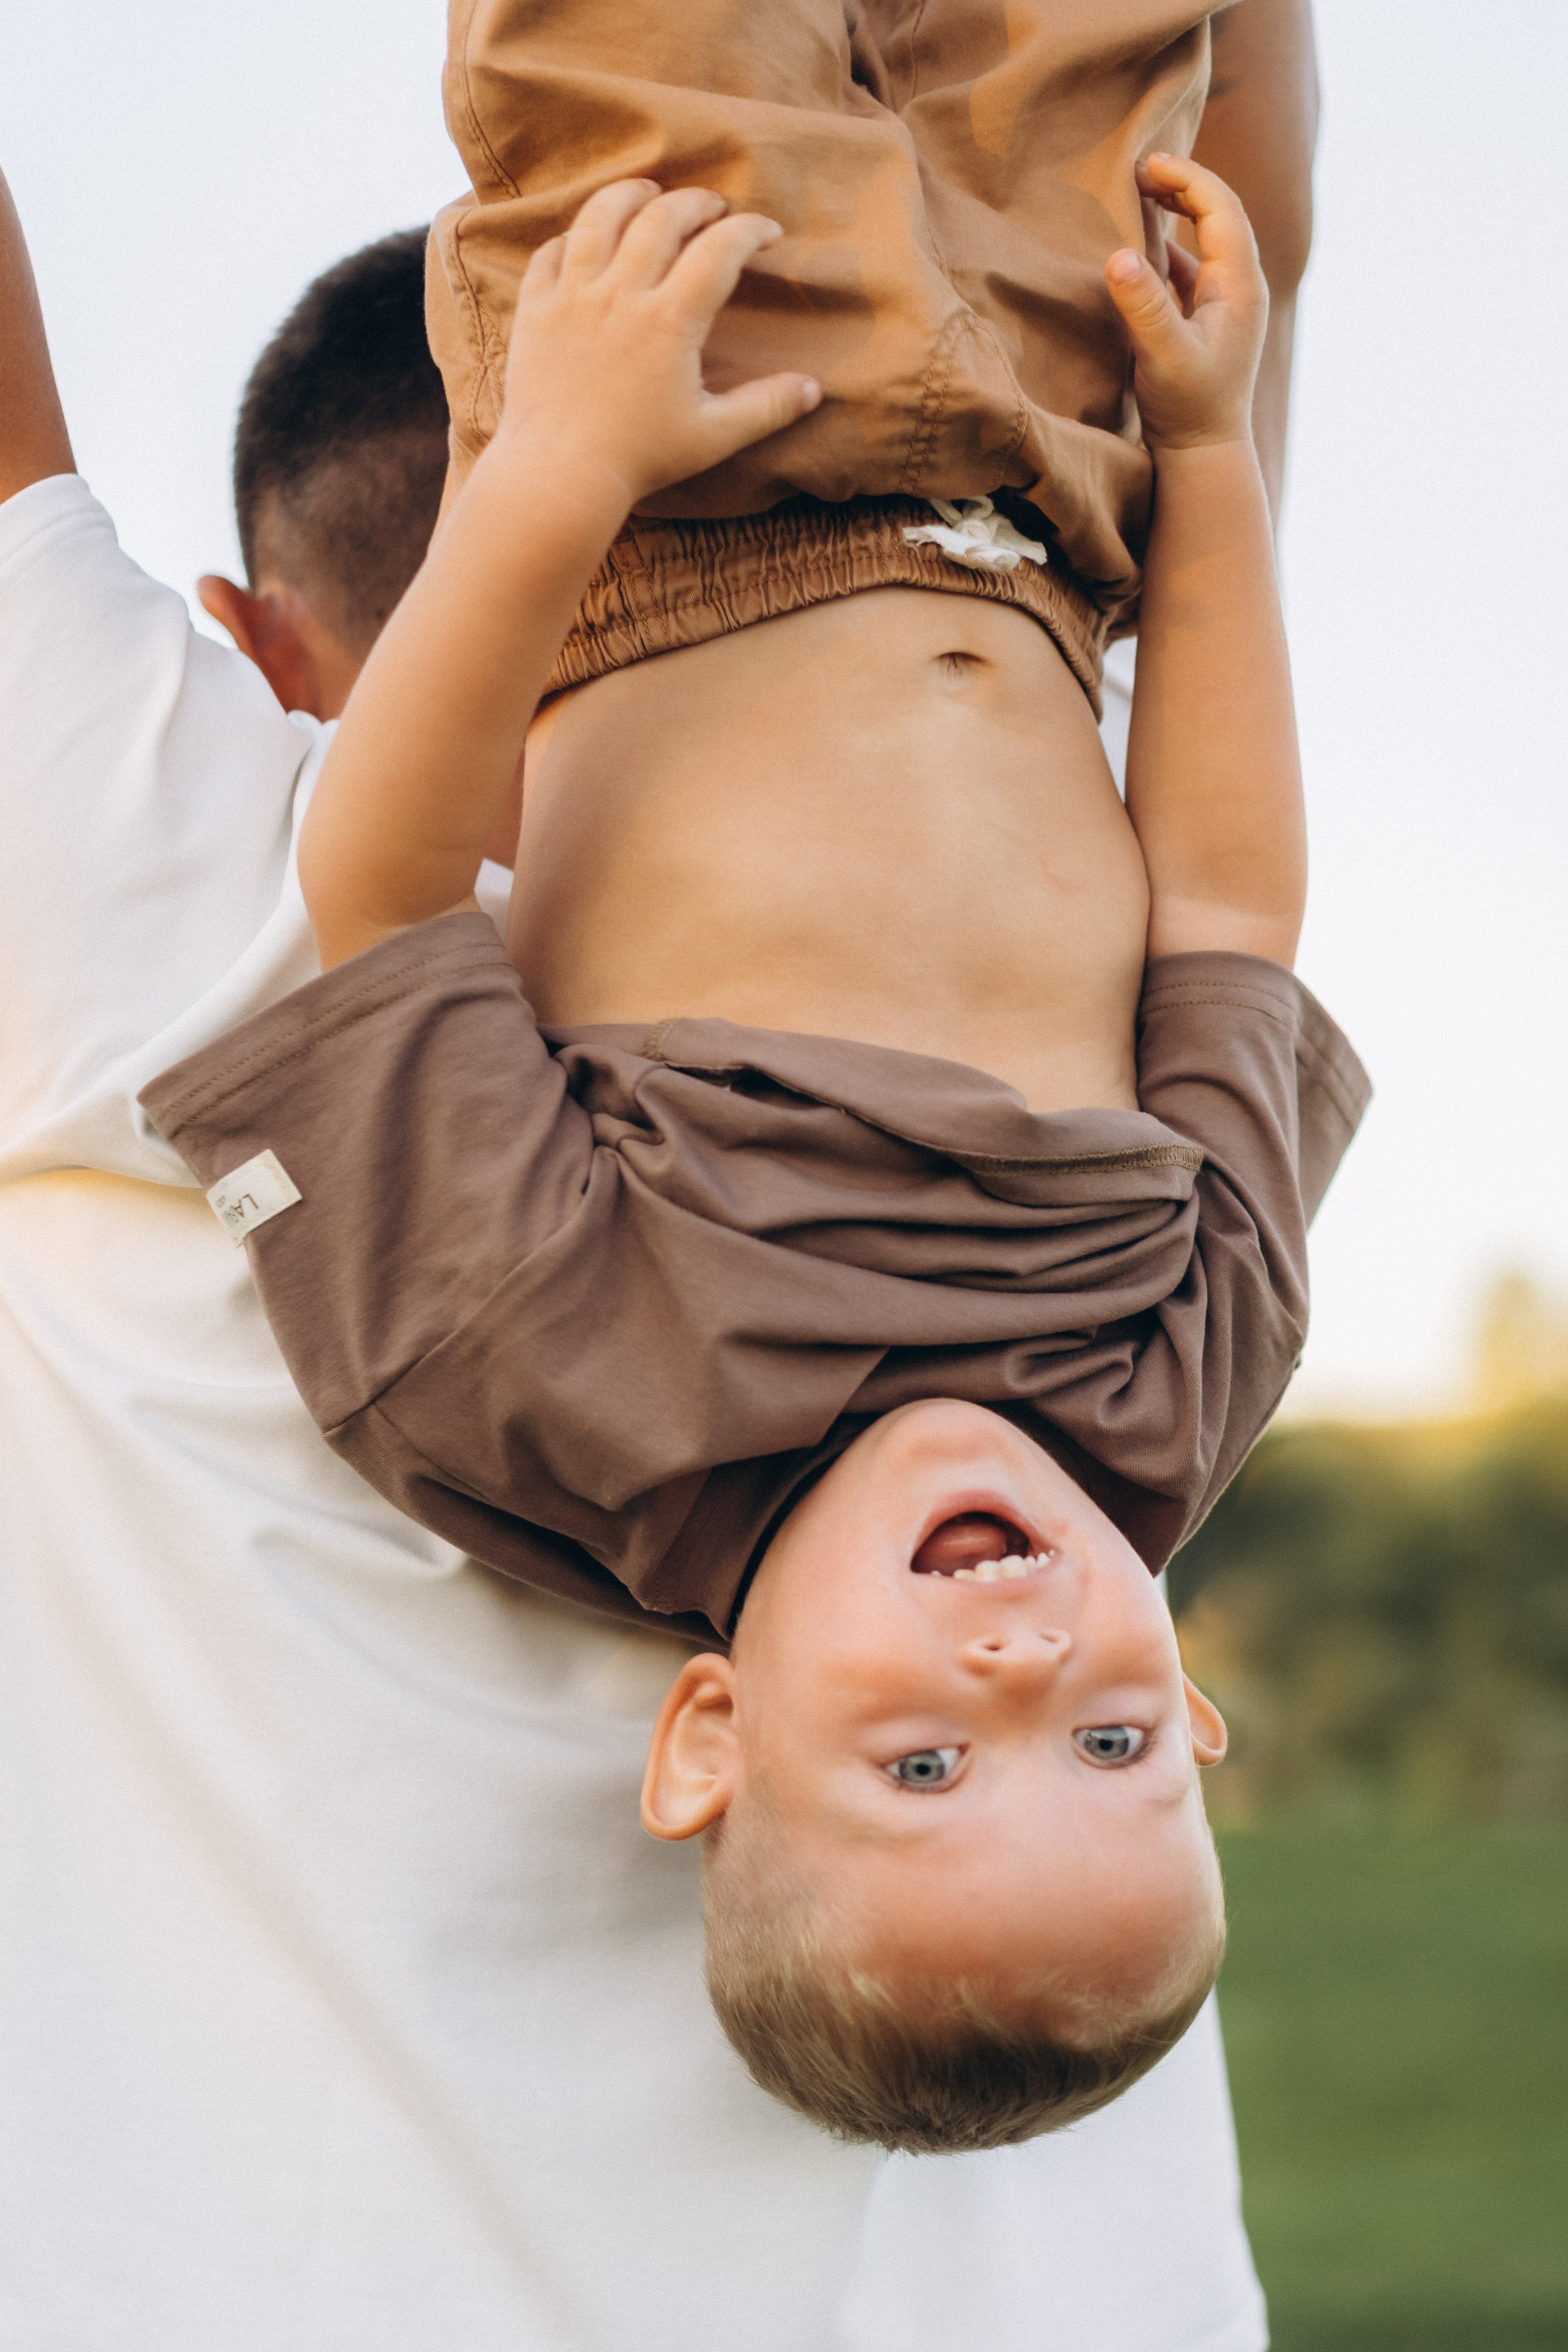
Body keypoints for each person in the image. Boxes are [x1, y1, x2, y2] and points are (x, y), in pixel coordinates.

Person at [0, 161, 1272, 2348]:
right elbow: (1212, 222)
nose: (1022, 1672)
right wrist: (1214, 447)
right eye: (1117, 1740)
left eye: (937, 1765)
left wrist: (559, 467)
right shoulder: (1129, 1356)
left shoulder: (214, 962)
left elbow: (1193, 187)